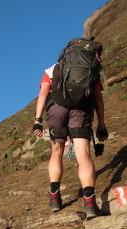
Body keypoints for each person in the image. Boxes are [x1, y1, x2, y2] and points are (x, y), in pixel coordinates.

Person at [32, 55, 108, 219]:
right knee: (84, 155)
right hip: (81, 109)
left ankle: (54, 197)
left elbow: (44, 92)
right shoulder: (90, 69)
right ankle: (89, 203)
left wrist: (38, 120)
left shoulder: (53, 69)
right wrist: (101, 125)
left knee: (57, 152)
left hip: (56, 108)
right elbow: (98, 98)